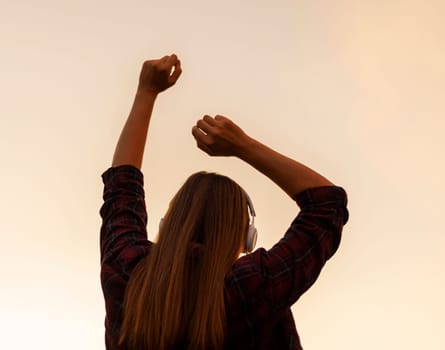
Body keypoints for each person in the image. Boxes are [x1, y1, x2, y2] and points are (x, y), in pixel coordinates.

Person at [100, 54, 349, 350]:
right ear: (246, 237)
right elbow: (326, 204)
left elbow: (122, 188)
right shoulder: (253, 288)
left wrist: (146, 92)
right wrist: (243, 146)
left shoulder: (129, 273)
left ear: (169, 224)